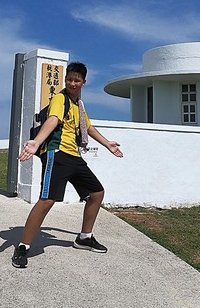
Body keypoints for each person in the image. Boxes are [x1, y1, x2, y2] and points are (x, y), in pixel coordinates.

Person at [12, 61, 124, 269]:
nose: (72, 83)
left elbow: (87, 127)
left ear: (84, 82)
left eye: (77, 80)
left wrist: (107, 143)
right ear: (65, 80)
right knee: (47, 201)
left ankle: (84, 237)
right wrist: (36, 142)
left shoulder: (77, 105)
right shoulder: (60, 99)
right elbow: (53, 120)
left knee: (97, 193)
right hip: (57, 154)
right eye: (69, 79)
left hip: (74, 156)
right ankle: (23, 246)